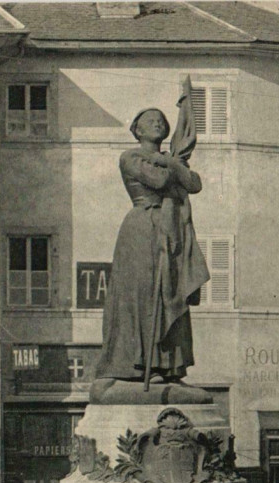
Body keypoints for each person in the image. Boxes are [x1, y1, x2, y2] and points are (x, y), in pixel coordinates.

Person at [94, 107, 209, 384]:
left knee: (171, 293)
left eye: (161, 120)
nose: (157, 123)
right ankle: (140, 365)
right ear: (138, 130)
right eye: (150, 121)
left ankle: (169, 368)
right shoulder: (131, 157)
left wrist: (174, 165)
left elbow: (195, 184)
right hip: (143, 228)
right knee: (144, 293)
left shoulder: (169, 160)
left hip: (171, 229)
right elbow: (158, 179)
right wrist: (175, 165)